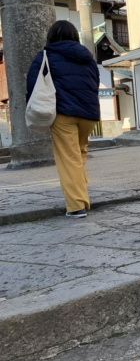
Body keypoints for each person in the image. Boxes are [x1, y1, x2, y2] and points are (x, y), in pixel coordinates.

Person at [26, 20, 100, 218]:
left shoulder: (45, 56)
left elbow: (33, 84)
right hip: (89, 114)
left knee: (69, 159)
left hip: (63, 113)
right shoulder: (87, 57)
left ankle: (76, 206)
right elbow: (95, 83)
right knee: (79, 155)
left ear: (51, 37)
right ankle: (81, 195)